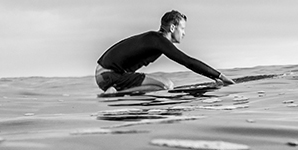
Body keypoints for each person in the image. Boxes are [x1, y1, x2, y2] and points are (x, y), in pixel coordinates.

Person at [95, 10, 235, 94]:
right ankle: (114, 92)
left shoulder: (154, 39)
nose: (184, 33)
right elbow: (187, 61)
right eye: (182, 29)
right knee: (166, 85)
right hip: (108, 75)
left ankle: (117, 90)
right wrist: (220, 77)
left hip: (105, 74)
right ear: (173, 28)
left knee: (159, 84)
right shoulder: (159, 41)